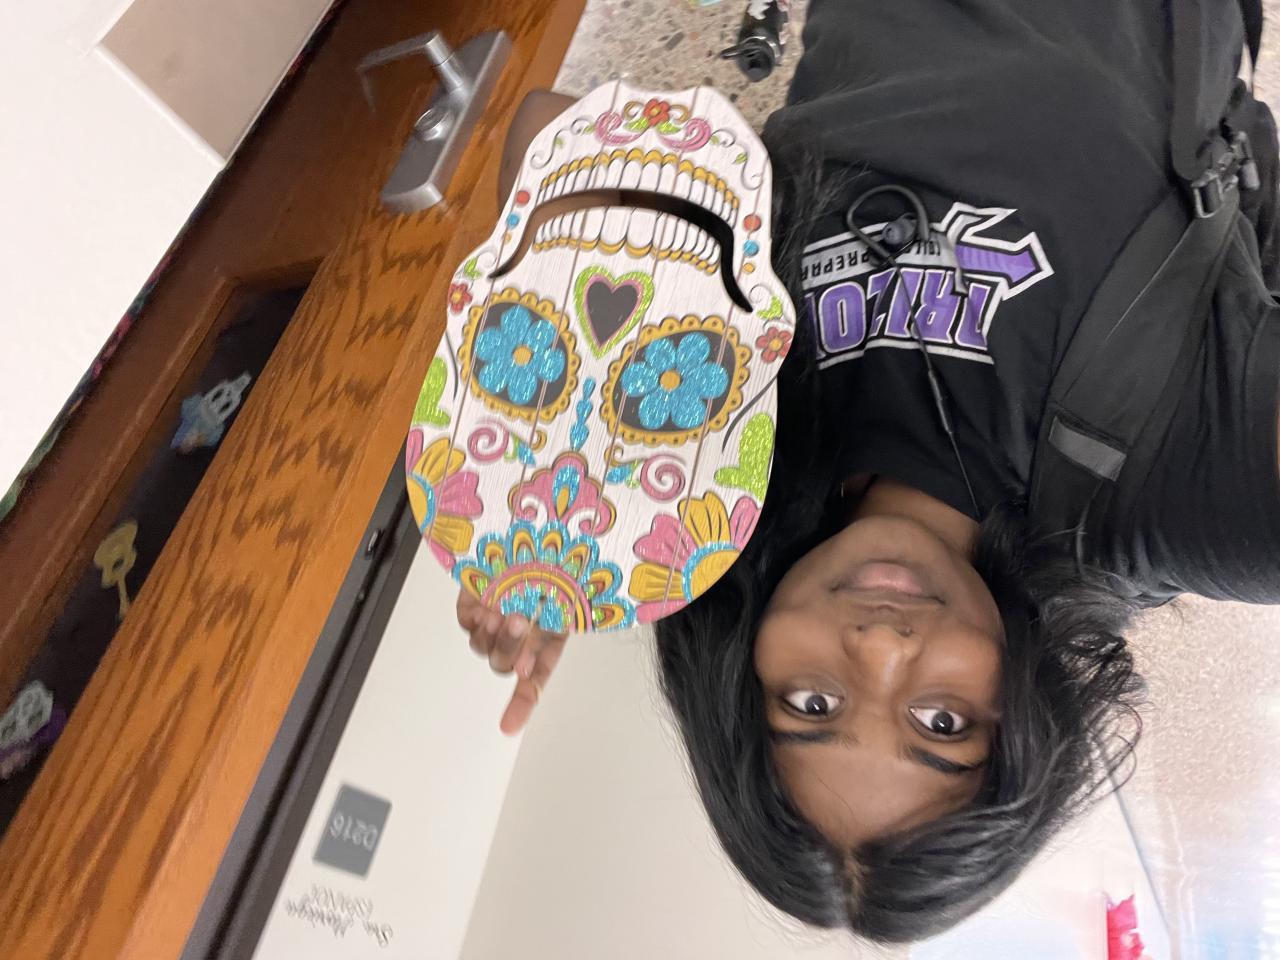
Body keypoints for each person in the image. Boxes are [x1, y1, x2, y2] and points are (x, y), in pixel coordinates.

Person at [457, 0, 1279, 943]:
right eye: (942, 725)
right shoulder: (1156, 493)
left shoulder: (733, 428)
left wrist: (572, 457)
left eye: (813, 704)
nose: (882, 651)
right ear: (1018, 718)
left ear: (741, 676)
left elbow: (552, 133)